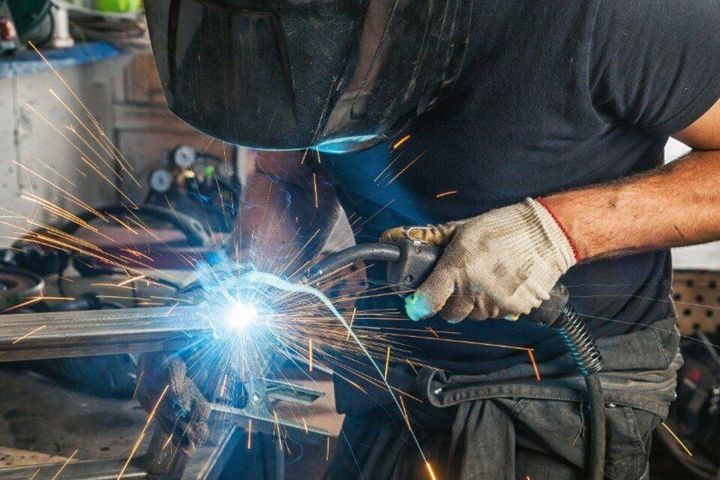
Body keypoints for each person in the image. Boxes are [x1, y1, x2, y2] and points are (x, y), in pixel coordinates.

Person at [137, 1, 720, 478]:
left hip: (564, 389)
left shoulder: (605, 13)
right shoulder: (281, 28)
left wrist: (557, 232)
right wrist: (233, 301)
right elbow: (285, 177)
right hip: (393, 382)